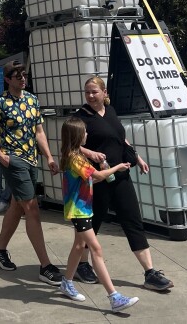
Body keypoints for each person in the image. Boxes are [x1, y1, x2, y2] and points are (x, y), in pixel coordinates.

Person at [74, 76, 173, 291]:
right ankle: (82, 264)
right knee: (91, 225)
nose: (90, 96)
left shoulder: (110, 111)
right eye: (87, 92)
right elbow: (70, 145)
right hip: (96, 180)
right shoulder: (81, 117)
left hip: (120, 176)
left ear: (104, 92)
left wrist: (136, 157)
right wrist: (89, 151)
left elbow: (120, 138)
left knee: (133, 221)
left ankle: (150, 272)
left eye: (94, 92)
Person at [0, 61, 63, 285]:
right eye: (17, 76)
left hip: (31, 159)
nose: (22, 79)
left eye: (24, 75)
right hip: (13, 160)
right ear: (8, 79)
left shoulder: (31, 99)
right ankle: (45, 266)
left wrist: (48, 156)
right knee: (32, 208)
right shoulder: (0, 103)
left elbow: (39, 131)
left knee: (17, 206)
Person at [58, 117, 139, 311]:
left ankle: (66, 283)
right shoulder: (75, 158)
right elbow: (98, 177)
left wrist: (104, 169)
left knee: (79, 247)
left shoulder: (76, 156)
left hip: (82, 208)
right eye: (85, 131)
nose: (87, 134)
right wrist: (118, 166)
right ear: (78, 135)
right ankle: (114, 297)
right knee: (96, 249)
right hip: (79, 210)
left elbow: (95, 179)